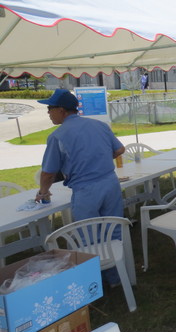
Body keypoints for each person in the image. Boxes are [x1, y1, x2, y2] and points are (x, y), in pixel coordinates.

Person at [35, 89, 125, 285]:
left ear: (61, 110)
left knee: (89, 237)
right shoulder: (99, 125)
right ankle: (117, 277)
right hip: (110, 183)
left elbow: (48, 173)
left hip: (86, 189)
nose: (48, 113)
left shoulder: (57, 136)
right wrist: (100, 160)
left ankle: (95, 282)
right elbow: (119, 149)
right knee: (114, 230)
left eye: (50, 108)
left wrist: (43, 192)